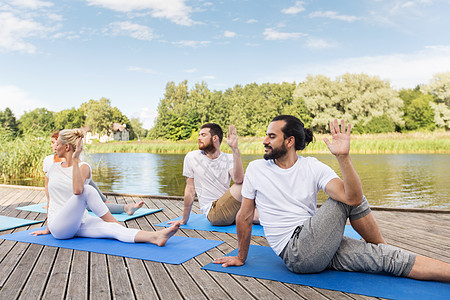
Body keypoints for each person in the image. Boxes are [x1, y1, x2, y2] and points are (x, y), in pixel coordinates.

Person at [214, 115, 450, 282]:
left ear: (289, 141)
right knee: (344, 199)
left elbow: (355, 197)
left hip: (318, 244)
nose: (264, 140)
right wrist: (240, 257)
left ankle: (389, 251)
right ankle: (381, 244)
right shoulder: (257, 169)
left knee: (387, 259)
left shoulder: (312, 167)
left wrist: (343, 158)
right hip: (296, 251)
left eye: (271, 136)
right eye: (266, 135)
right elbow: (244, 216)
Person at [32, 129, 179, 246]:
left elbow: (77, 190)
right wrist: (47, 228)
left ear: (66, 147)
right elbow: (52, 198)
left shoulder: (83, 167)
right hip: (59, 228)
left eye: (56, 143)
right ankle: (114, 220)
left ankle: (155, 237)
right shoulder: (53, 168)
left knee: (112, 230)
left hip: (79, 222)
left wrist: (75, 160)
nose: (54, 147)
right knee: (88, 190)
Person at [169, 123, 257, 227]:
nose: (198, 138)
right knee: (248, 181)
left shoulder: (229, 158)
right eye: (199, 135)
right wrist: (184, 219)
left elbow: (237, 178)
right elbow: (190, 189)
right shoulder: (192, 157)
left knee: (268, 216)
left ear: (215, 138)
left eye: (203, 135)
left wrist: (235, 149)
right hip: (214, 212)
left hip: (232, 209)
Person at [43, 130, 144, 215]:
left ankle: (111, 204)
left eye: (54, 142)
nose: (53, 146)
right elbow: (48, 186)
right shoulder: (49, 161)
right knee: (90, 201)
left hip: (77, 191)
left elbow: (81, 186)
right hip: (67, 199)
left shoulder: (78, 162)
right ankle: (123, 207)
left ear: (65, 146)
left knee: (89, 188)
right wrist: (50, 204)